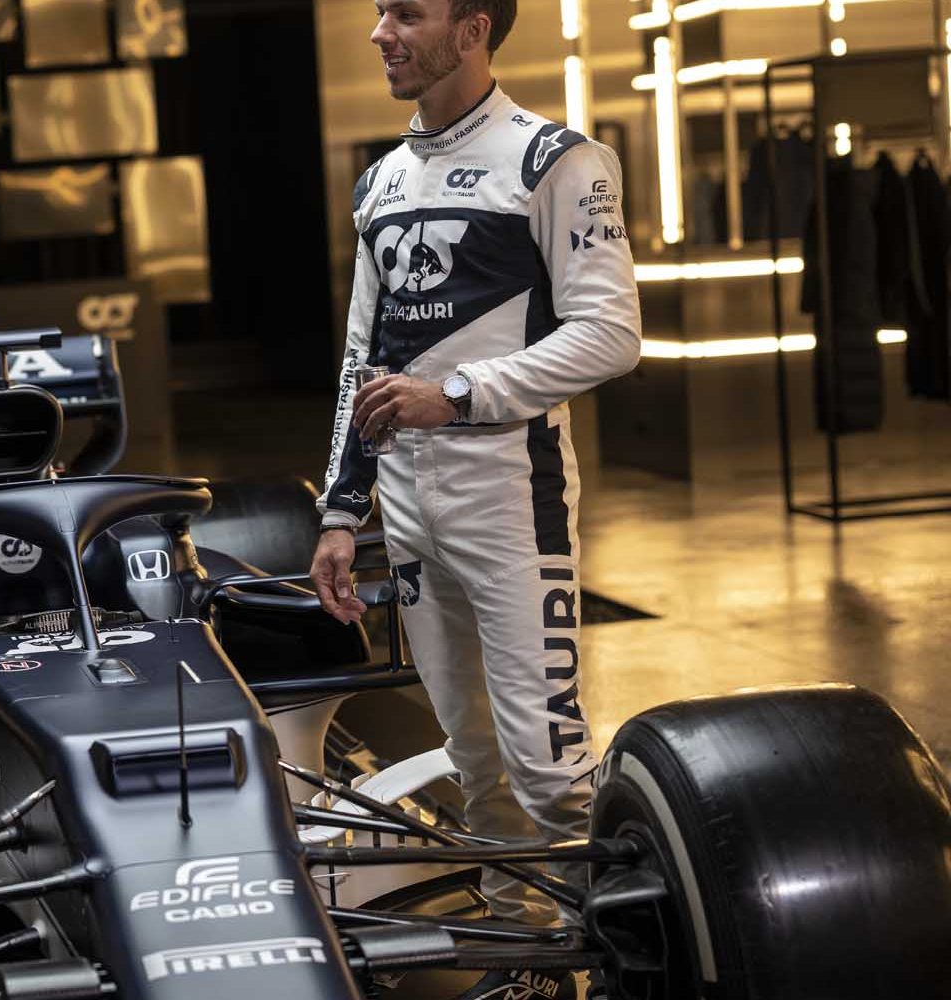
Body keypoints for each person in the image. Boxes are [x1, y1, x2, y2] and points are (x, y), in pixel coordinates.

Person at [309, 0, 640, 994]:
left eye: (405, 13)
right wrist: (339, 510)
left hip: (511, 501)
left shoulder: (555, 161)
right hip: (407, 511)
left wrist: (454, 396)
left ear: (473, 28)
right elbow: (360, 365)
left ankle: (625, 957)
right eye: (377, 13)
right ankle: (529, 963)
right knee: (478, 760)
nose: (380, 33)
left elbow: (611, 334)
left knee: (548, 767)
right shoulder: (380, 181)